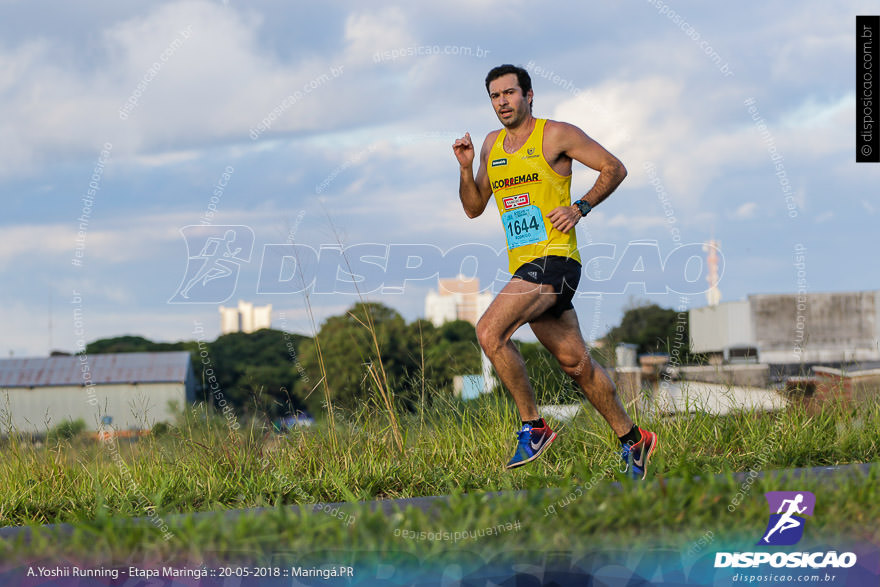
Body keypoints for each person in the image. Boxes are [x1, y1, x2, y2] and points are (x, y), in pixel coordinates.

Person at [452, 64, 657, 477]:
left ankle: (534, 426)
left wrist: (580, 206)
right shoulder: (492, 145)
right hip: (526, 265)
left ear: (529, 96)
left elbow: (614, 167)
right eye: (495, 96)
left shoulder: (557, 135)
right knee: (575, 365)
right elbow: (474, 208)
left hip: (556, 261)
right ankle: (634, 439)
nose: (503, 102)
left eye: (510, 93)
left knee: (489, 332)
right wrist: (465, 166)